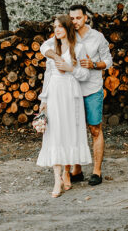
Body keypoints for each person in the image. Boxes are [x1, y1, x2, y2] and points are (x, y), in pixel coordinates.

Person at [40, 3, 113, 186]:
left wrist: (94, 65)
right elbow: (44, 47)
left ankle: (96, 171)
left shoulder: (97, 37)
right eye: (71, 18)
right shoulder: (65, 35)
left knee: (94, 128)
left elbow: (108, 61)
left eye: (78, 18)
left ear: (85, 18)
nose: (75, 21)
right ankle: (76, 169)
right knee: (72, 129)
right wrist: (56, 57)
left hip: (90, 89)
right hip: (70, 91)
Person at [36, 14, 92, 198]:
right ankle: (56, 179)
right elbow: (48, 75)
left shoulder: (80, 47)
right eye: (54, 27)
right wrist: (43, 100)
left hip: (71, 93)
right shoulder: (52, 47)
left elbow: (85, 75)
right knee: (55, 133)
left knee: (69, 132)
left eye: (60, 26)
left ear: (68, 28)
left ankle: (67, 172)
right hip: (54, 93)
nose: (57, 30)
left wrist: (70, 69)